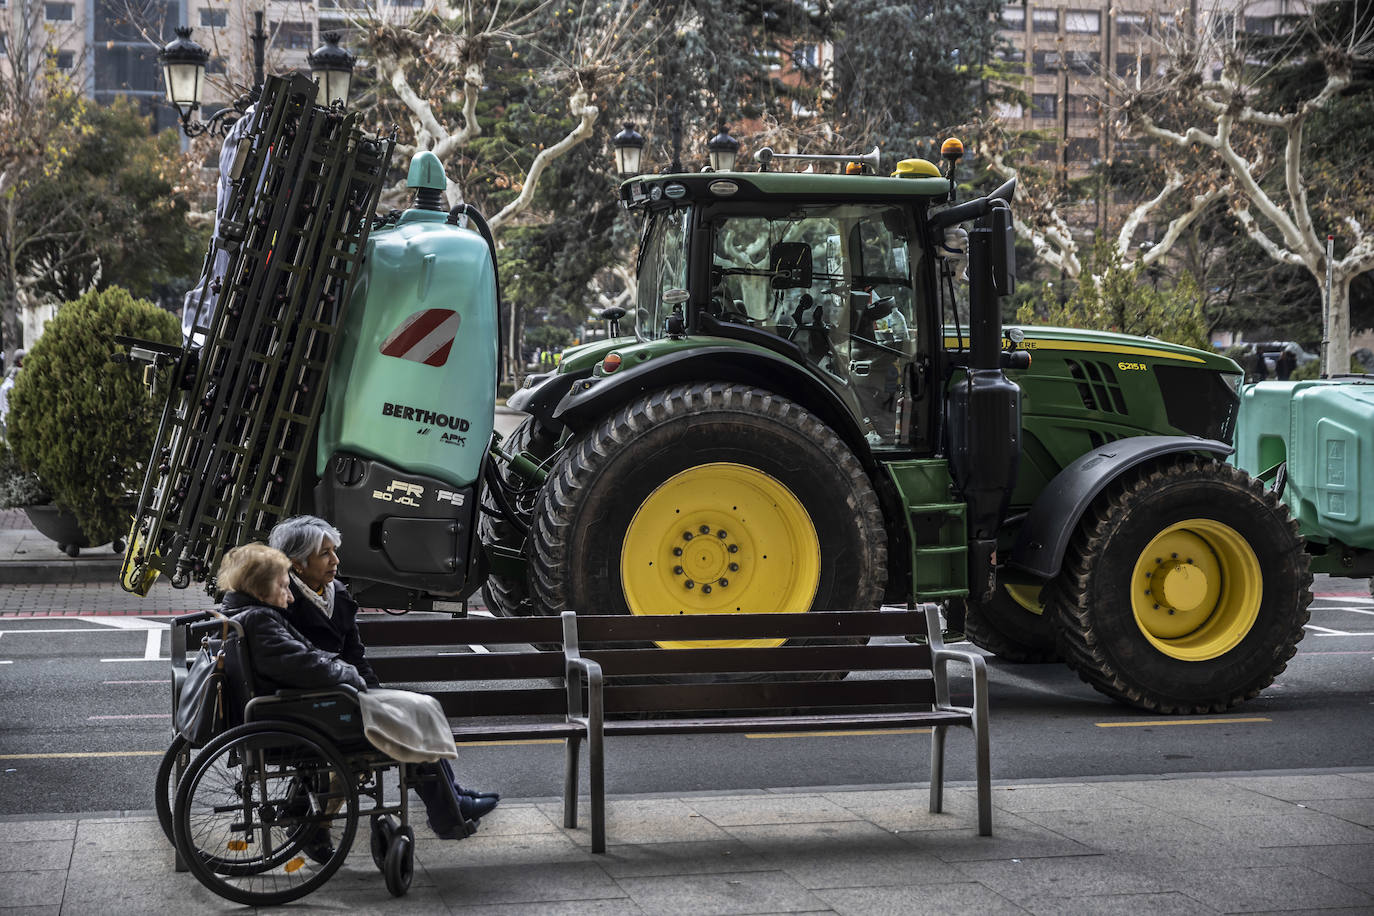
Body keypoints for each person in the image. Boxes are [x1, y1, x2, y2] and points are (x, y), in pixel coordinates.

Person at [217, 541, 496, 857]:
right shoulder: (259, 620)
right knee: (416, 712)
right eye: (283, 587)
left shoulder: (246, 616)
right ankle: (448, 810)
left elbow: (301, 662)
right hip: (307, 714)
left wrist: (352, 677)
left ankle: (450, 800)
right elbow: (305, 666)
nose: (290, 595)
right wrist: (347, 674)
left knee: (414, 708)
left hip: (299, 709)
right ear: (262, 589)